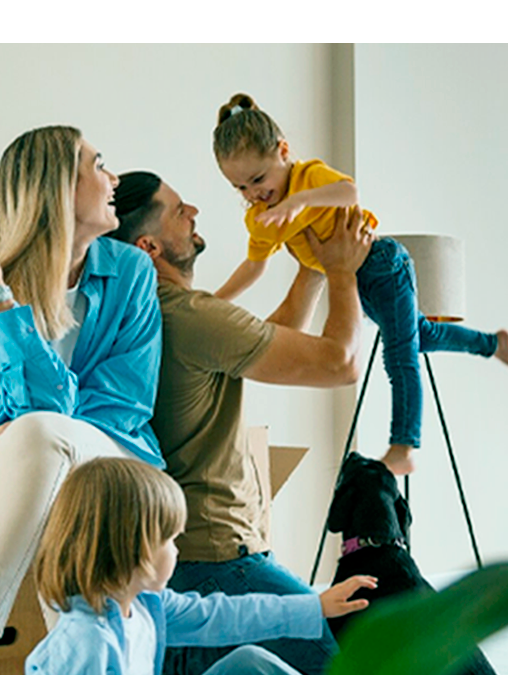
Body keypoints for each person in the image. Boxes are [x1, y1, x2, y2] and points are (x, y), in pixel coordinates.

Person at [0, 127, 164, 675]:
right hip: (27, 477)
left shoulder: (132, 274)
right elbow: (36, 405)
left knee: (38, 438)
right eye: (99, 165)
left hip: (117, 464)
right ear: (56, 188)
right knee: (57, 500)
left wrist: (9, 432)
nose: (114, 178)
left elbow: (122, 409)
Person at [111, 171, 372, 675]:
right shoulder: (189, 314)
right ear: (149, 246)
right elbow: (339, 363)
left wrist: (312, 266)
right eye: (178, 209)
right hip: (216, 563)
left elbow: (269, 342)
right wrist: (343, 272)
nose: (194, 213)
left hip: (177, 566)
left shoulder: (139, 314)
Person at [211, 93, 508, 475]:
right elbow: (253, 266)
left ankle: (404, 447)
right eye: (240, 188)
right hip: (355, 283)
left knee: (399, 356)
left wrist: (298, 204)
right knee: (421, 336)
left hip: (381, 263)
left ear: (283, 151)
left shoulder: (305, 178)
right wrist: (212, 301)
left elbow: (349, 193)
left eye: (258, 179)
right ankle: (494, 345)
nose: (252, 194)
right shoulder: (261, 216)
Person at [26, 457, 377, 675]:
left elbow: (224, 615)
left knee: (249, 663)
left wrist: (314, 606)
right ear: (133, 548)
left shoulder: (148, 607)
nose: (177, 551)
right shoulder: (86, 643)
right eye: (170, 539)